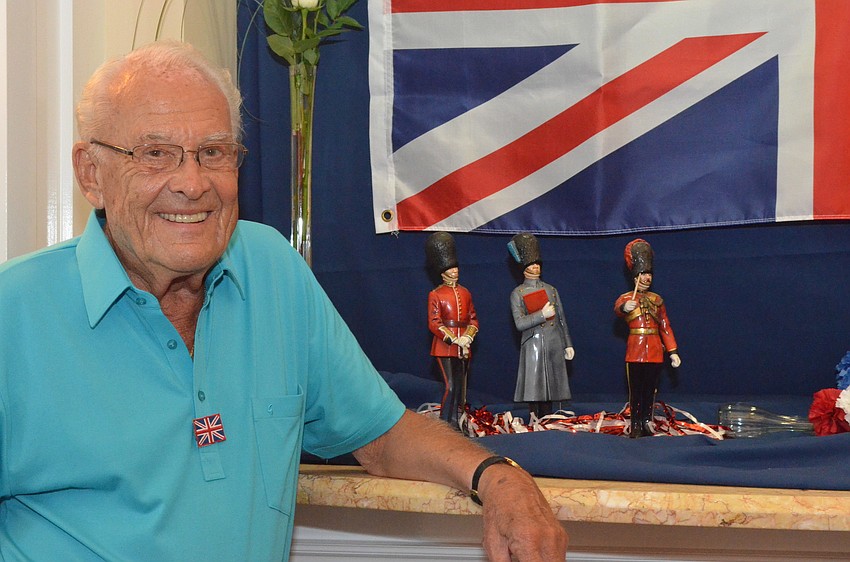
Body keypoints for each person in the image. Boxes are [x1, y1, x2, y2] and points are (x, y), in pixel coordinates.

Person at [0, 41, 567, 561]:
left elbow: (383, 434)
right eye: (156, 154)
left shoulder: (270, 269)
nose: (193, 182)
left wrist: (498, 476)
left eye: (214, 152)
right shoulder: (14, 313)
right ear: (90, 174)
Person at [614, 239, 681, 438]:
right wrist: (624, 309)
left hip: (654, 350)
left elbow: (665, 326)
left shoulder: (657, 300)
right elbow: (618, 310)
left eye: (649, 273)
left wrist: (673, 351)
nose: (647, 277)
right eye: (643, 273)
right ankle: (635, 422)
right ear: (635, 276)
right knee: (635, 390)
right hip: (635, 350)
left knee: (650, 390)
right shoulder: (626, 298)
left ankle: (646, 420)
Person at [508, 233, 575, 419]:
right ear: (524, 267)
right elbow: (520, 323)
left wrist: (567, 343)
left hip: (554, 342)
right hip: (533, 343)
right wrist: (541, 315)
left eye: (537, 263)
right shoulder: (518, 293)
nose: (535, 266)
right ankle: (534, 417)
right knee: (535, 385)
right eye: (531, 263)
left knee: (552, 384)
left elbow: (561, 319)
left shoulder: (551, 289)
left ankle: (549, 416)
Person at [425, 232, 479, 427]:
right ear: (442, 272)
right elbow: (434, 322)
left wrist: (467, 337)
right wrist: (452, 339)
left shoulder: (465, 292)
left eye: (455, 267)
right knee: (451, 386)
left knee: (461, 389)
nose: (455, 271)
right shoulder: (436, 294)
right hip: (444, 346)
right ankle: (445, 423)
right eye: (450, 268)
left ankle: (459, 422)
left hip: (463, 345)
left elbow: (473, 319)